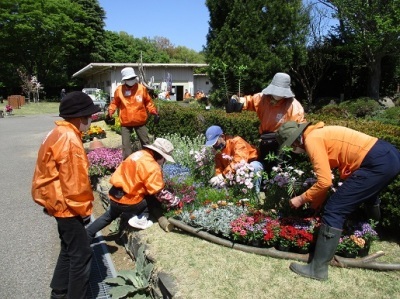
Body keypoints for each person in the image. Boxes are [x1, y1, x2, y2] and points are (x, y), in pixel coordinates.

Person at [276, 121, 400, 281]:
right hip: (388, 154)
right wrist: (314, 207)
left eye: (291, 147)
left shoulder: (312, 139)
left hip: (376, 162)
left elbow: (324, 182)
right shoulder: (318, 133)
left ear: (294, 141)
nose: (293, 151)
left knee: (335, 208)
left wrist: (301, 199)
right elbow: (324, 184)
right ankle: (373, 233)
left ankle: (317, 268)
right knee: (369, 194)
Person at [31, 91, 101, 299]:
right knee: (82, 254)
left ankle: (59, 291)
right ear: (80, 117)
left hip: (55, 199)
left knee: (69, 248)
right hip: (67, 204)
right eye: (89, 116)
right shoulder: (70, 139)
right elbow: (75, 183)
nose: (91, 120)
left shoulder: (58, 132)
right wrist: (84, 210)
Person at [86, 138, 180, 240]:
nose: (164, 162)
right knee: (151, 199)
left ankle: (87, 234)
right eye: (165, 159)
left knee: (109, 216)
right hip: (128, 202)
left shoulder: (139, 154)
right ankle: (141, 219)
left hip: (115, 195)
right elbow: (159, 192)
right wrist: (175, 201)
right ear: (161, 156)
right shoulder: (152, 167)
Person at [240, 72, 307, 169]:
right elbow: (249, 100)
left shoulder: (293, 105)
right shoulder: (263, 98)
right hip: (265, 141)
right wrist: (238, 101)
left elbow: (300, 126)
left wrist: (299, 144)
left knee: (280, 171)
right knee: (265, 168)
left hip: (282, 144)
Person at [107, 67, 159, 160]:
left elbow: (148, 102)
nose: (131, 80)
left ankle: (148, 160)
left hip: (140, 120)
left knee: (146, 143)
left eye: (132, 78)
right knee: (126, 146)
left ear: (135, 78)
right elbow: (114, 103)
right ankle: (128, 163)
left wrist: (154, 112)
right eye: (128, 79)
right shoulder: (119, 90)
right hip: (126, 121)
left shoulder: (141, 88)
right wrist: (110, 112)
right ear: (124, 80)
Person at [204, 125, 263, 194]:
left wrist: (223, 175)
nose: (214, 146)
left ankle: (256, 196)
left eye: (215, 143)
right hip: (233, 173)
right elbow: (219, 168)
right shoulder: (218, 152)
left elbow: (239, 162)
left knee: (254, 166)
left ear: (222, 136)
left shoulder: (237, 142)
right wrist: (218, 178)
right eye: (212, 144)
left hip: (250, 165)